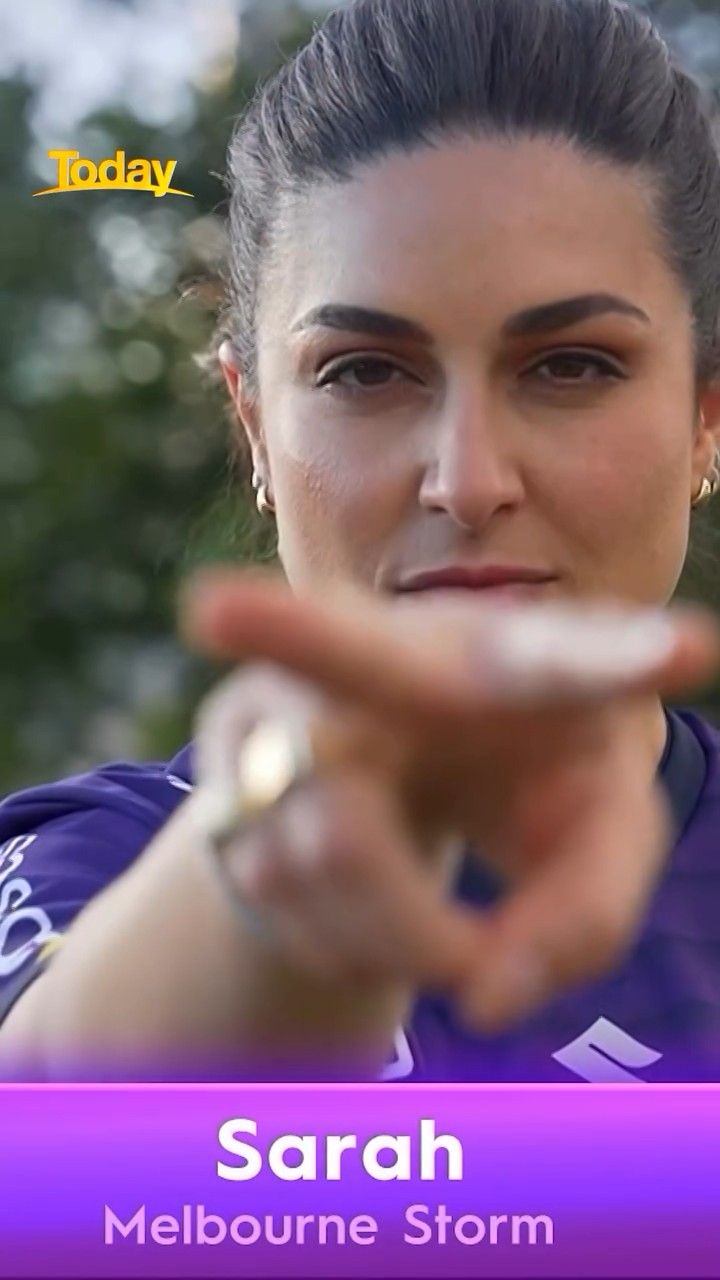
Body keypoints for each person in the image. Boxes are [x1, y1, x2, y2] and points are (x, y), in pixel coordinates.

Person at [2, 0, 720, 1083]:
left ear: (705, 416)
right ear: (254, 424)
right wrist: (272, 885)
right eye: (365, 372)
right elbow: (42, 1143)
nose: (468, 481)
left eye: (572, 365)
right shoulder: (94, 863)